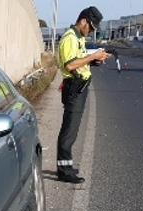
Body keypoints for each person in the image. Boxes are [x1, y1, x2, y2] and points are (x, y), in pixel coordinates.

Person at [56, 6, 110, 184]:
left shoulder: (78, 38)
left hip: (80, 86)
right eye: (91, 27)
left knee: (73, 130)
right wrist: (92, 56)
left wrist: (94, 60)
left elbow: (80, 61)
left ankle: (66, 166)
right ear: (83, 21)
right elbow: (70, 65)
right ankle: (64, 170)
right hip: (74, 88)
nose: (92, 31)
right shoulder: (70, 38)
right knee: (69, 130)